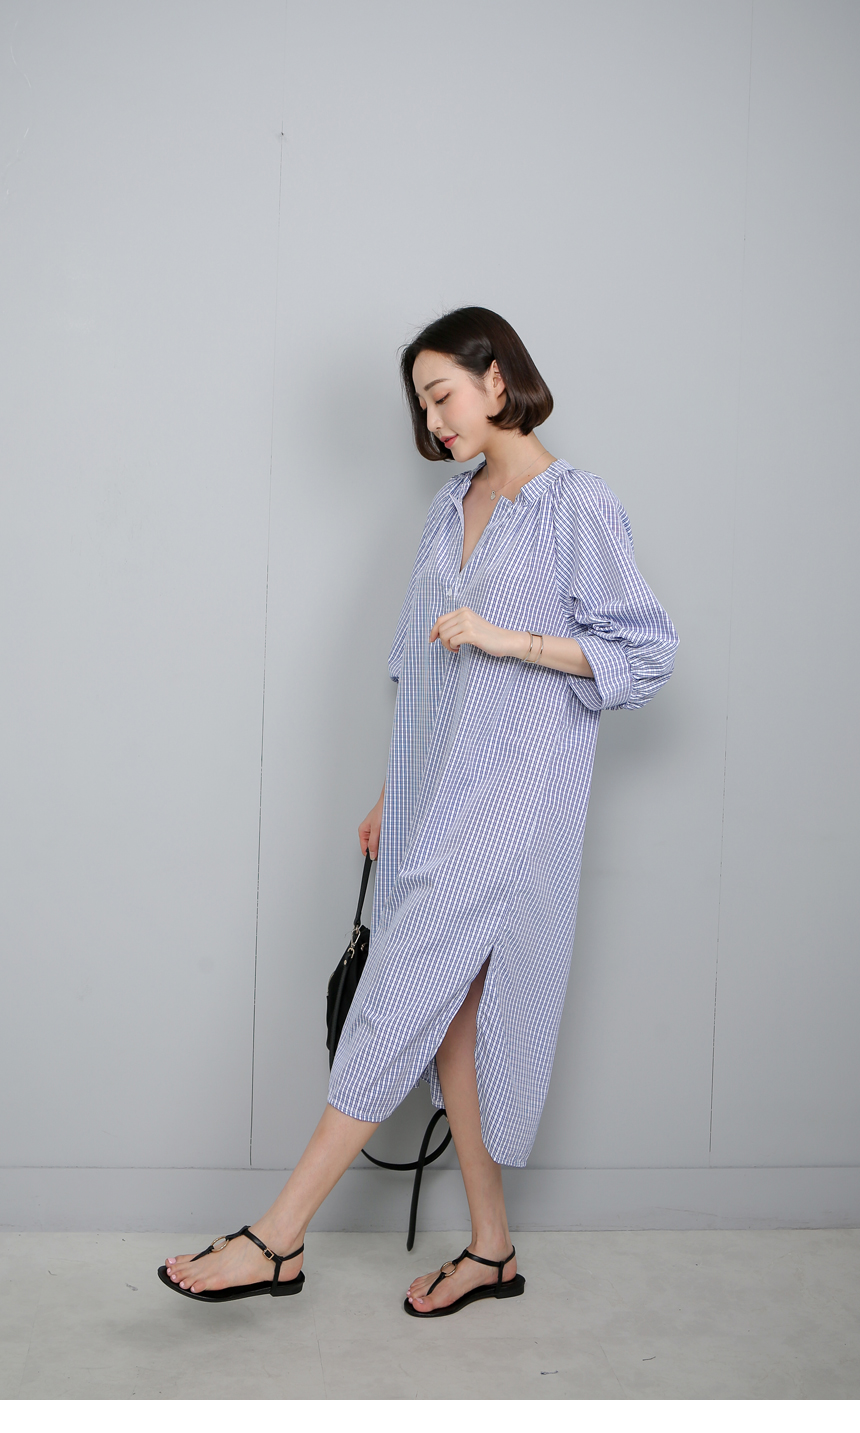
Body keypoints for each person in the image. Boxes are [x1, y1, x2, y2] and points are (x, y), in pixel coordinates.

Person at [159, 306, 678, 1315]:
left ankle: (278, 1237)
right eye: (422, 406)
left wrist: (509, 639)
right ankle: (491, 1252)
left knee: (397, 997)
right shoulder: (449, 508)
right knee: (453, 1026)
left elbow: (646, 652)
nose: (433, 421)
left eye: (442, 396)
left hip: (515, 801)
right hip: (436, 793)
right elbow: (419, 664)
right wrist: (392, 791)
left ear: (497, 380)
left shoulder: (577, 504)